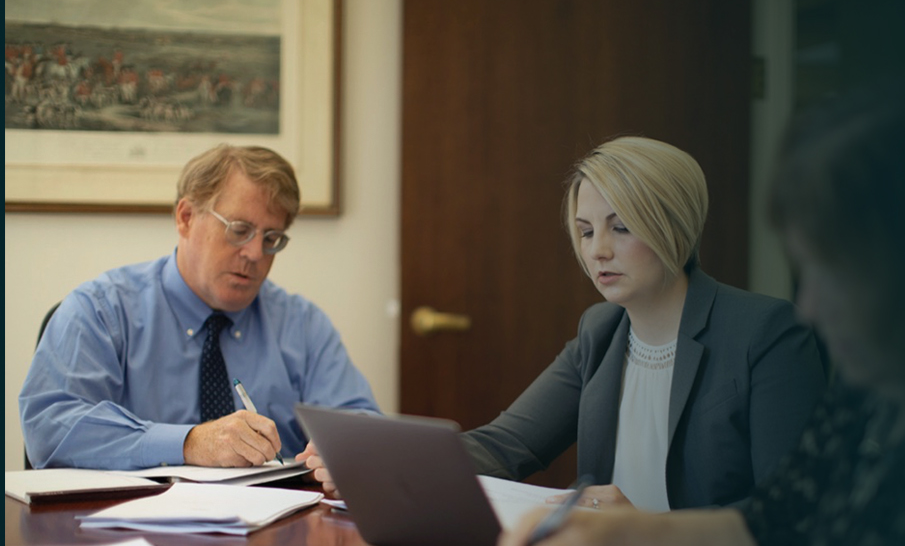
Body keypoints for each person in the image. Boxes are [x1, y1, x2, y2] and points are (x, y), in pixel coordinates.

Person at [498, 72, 905, 545]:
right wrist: (632, 534)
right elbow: (780, 517)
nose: (811, 307)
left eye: (837, 273)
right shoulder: (870, 394)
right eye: (586, 230)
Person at [302, 136, 826, 511]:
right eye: (584, 230)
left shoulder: (767, 334)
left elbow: (793, 519)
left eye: (620, 228)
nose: (597, 250)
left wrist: (644, 531)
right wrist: (373, 460)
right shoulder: (600, 332)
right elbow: (504, 447)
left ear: (674, 227)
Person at [19, 144, 379, 471]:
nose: (255, 254)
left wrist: (346, 452)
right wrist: (190, 443)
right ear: (186, 217)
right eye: (239, 230)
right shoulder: (102, 310)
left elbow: (362, 425)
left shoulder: (302, 324)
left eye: (272, 239)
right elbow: (50, 429)